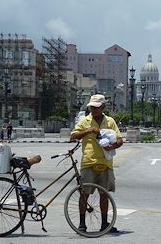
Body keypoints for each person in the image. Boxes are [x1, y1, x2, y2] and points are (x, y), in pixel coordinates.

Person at [70, 94, 123, 233]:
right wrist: (88, 131)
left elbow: (119, 140)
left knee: (104, 195)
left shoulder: (110, 121)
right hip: (89, 162)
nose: (94, 110)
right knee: (84, 194)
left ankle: (104, 224)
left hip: (106, 163)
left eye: (97, 107)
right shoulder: (84, 121)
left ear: (103, 108)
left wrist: (112, 147)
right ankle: (82, 224)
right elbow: (72, 136)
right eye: (92, 107)